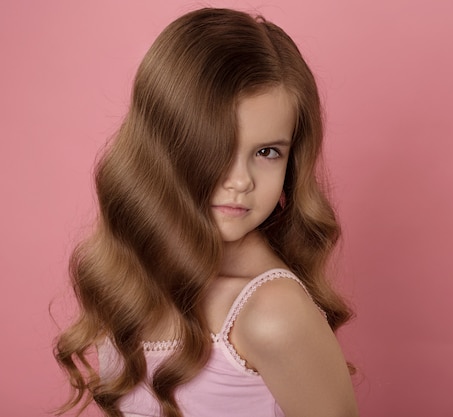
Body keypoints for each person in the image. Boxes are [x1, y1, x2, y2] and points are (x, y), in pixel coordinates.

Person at [54, 7, 358, 417]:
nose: (241, 180)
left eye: (267, 152)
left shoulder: (271, 313)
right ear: (160, 143)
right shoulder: (133, 272)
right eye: (217, 145)